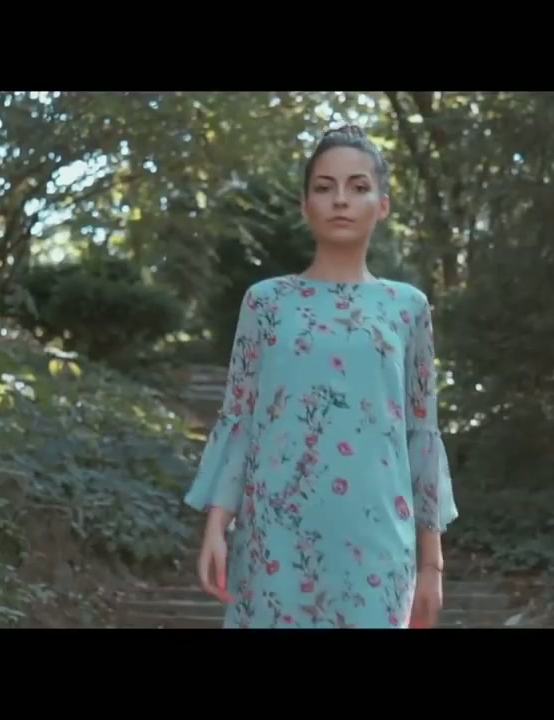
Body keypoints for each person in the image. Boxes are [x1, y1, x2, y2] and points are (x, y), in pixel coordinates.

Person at [182, 125, 458, 629]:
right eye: (325, 187)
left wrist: (431, 564)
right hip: (273, 537)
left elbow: (421, 434)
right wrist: (217, 526)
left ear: (383, 205)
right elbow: (240, 418)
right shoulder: (265, 302)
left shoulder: (408, 307)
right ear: (305, 204)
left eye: (358, 187)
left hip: (378, 542)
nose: (341, 200)